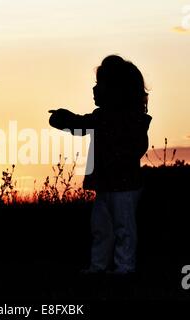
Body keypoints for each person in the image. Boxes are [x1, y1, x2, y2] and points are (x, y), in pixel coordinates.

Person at [48, 55, 152, 274]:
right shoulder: (103, 116)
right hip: (107, 184)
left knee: (124, 227)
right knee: (101, 228)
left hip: (125, 186)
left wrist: (64, 119)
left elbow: (137, 146)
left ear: (116, 90)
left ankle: (125, 268)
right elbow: (80, 124)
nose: (94, 90)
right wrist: (63, 118)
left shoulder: (132, 119)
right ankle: (98, 266)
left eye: (99, 85)